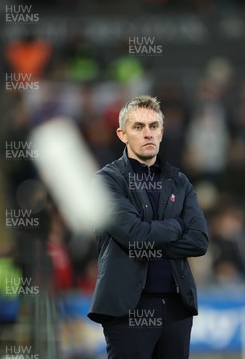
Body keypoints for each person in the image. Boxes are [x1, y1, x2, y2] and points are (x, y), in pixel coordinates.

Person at [88, 95, 208, 358]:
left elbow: (199, 241)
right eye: (138, 127)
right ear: (122, 134)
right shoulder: (107, 181)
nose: (147, 133)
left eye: (154, 126)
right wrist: (177, 225)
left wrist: (152, 238)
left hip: (176, 308)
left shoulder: (179, 181)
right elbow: (134, 235)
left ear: (162, 132)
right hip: (128, 311)